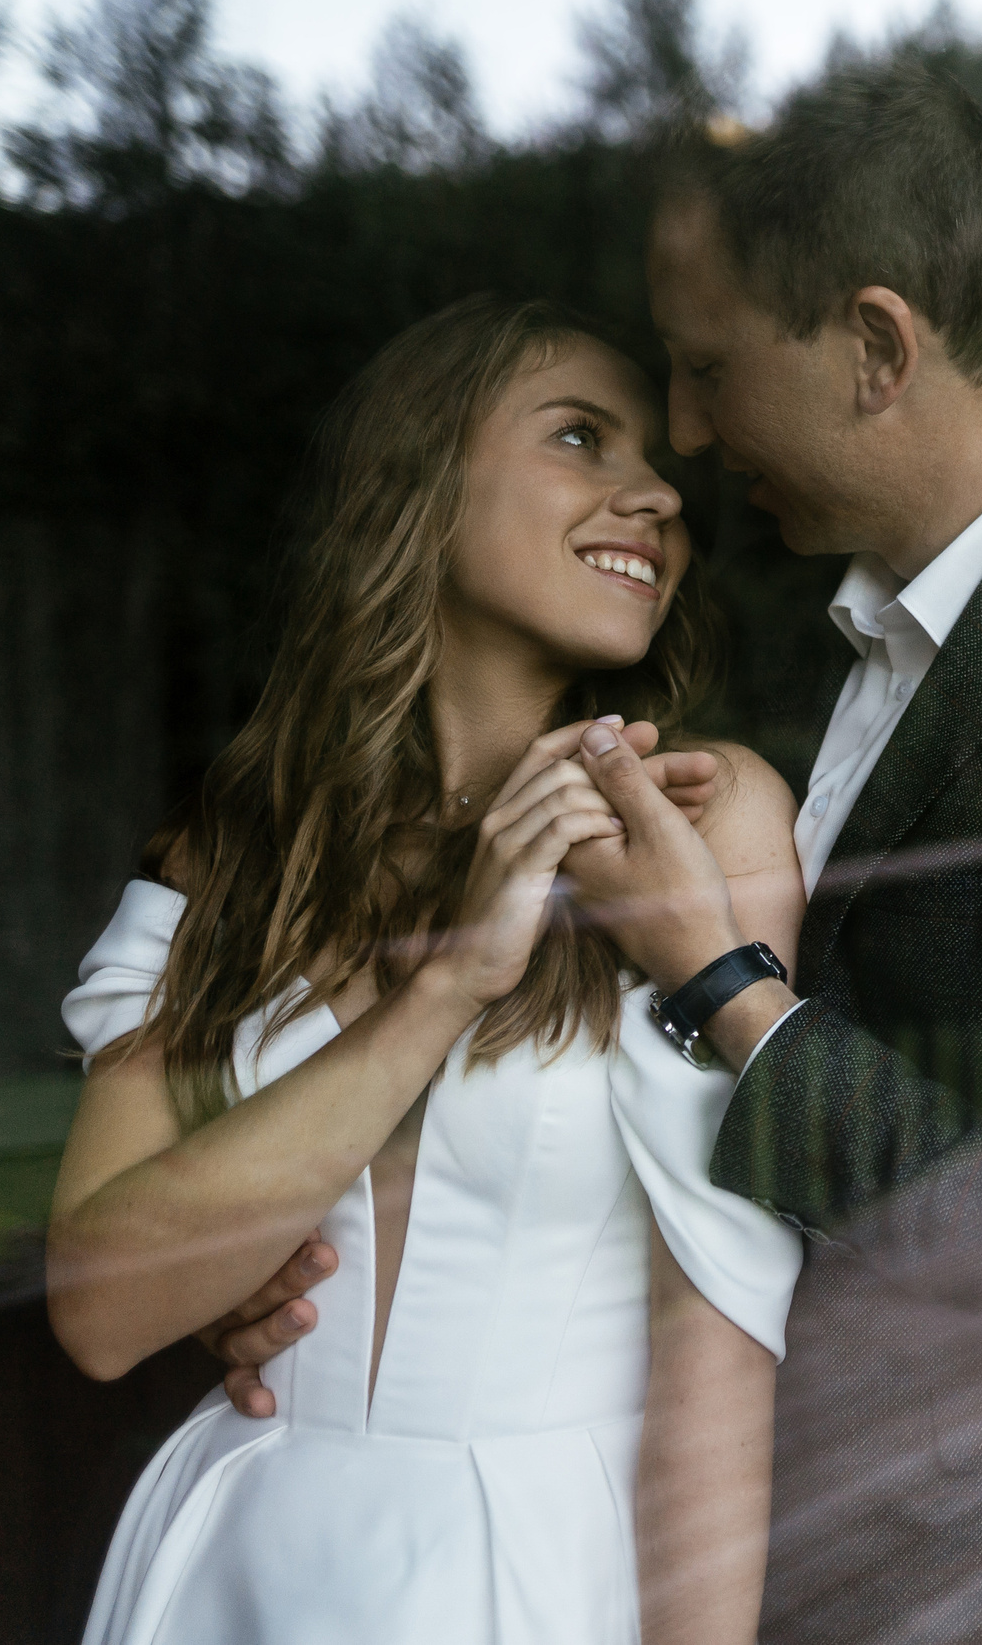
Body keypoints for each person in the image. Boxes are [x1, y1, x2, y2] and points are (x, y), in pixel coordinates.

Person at [213, 60, 982, 1641]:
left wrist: (731, 989)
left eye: (703, 367)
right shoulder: (814, 646)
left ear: (877, 347)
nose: (680, 435)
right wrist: (312, 1298)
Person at [47, 294, 805, 1645]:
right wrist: (448, 982)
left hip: (544, 1570)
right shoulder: (230, 855)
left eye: (665, 476)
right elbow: (103, 1309)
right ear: (415, 486)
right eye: (583, 438)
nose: (654, 500)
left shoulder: (700, 824)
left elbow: (721, 1344)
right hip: (241, 1562)